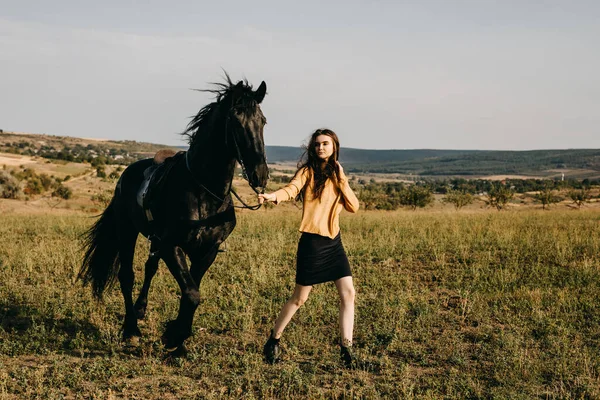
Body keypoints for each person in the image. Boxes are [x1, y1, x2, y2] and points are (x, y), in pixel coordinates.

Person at [258, 128, 360, 367]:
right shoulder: (307, 172)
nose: (321, 148)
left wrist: (341, 178)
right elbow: (291, 189)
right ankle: (273, 340)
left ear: (334, 146)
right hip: (312, 244)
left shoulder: (337, 174)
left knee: (348, 294)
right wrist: (273, 196)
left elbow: (354, 206)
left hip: (334, 242)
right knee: (299, 298)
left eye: (325, 143)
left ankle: (347, 350)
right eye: (317, 144)